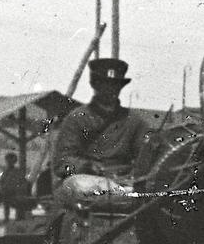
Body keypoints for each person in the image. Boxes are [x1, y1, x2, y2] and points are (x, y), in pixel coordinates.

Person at [51, 57, 148, 205]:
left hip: (123, 181)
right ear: (94, 85)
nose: (110, 89)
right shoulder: (77, 118)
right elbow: (62, 162)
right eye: (104, 84)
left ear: (120, 87)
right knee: (79, 186)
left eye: (115, 85)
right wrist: (88, 166)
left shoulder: (134, 121)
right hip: (86, 181)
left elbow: (147, 156)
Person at [0, 153, 29, 224]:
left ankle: (7, 219)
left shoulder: (17, 172)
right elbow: (1, 181)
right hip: (4, 192)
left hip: (13, 193)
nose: (8, 162)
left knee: (6, 199)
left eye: (10, 160)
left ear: (14, 161)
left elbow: (21, 183)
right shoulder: (6, 171)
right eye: (7, 161)